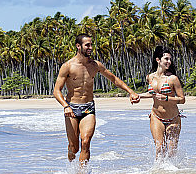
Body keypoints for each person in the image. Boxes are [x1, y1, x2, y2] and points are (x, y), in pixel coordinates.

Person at [54, 34, 140, 166]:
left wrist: (131, 92)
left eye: (91, 44)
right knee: (73, 147)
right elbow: (56, 91)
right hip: (71, 108)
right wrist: (66, 106)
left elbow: (114, 79)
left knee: (86, 141)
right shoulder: (68, 66)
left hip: (88, 107)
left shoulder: (95, 65)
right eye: (87, 45)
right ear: (78, 46)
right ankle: (71, 169)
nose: (90, 47)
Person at [139, 46, 185, 158]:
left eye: (170, 59)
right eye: (166, 59)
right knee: (159, 148)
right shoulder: (150, 77)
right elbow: (152, 94)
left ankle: (172, 173)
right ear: (158, 60)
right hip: (156, 117)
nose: (169, 62)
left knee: (171, 152)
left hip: (173, 119)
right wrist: (138, 96)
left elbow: (182, 99)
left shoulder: (173, 79)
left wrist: (167, 98)